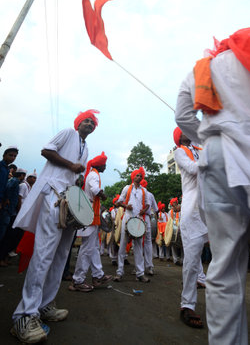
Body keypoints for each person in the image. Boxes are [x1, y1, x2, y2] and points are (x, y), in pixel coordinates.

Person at [175, 25, 250, 345]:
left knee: (224, 265)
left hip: (216, 158)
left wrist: (211, 134)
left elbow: (183, 116)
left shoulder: (203, 68)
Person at [11, 109, 99, 344]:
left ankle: (44, 305)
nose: (89, 123)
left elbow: (76, 173)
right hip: (53, 196)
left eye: (93, 122)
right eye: (86, 119)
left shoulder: (86, 147)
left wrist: (78, 178)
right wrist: (71, 166)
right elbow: (46, 150)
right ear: (78, 123)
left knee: (61, 257)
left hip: (68, 201)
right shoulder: (68, 133)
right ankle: (24, 315)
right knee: (44, 255)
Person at [173, 127, 208, 328]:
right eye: (184, 130)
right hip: (193, 211)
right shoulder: (179, 152)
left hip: (211, 208)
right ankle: (187, 304)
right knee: (192, 259)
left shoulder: (201, 148)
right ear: (180, 136)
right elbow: (195, 169)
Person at [69, 152, 112, 292]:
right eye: (104, 165)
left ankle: (98, 275)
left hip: (91, 214)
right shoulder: (94, 174)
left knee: (92, 247)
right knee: (87, 249)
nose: (105, 167)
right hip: (90, 215)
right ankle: (78, 281)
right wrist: (103, 194)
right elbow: (95, 189)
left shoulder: (93, 174)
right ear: (100, 165)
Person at [114, 167, 150, 282]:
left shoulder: (144, 191)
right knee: (123, 245)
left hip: (139, 221)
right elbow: (118, 202)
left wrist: (144, 211)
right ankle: (119, 272)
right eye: (137, 175)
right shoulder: (126, 188)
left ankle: (140, 273)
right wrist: (126, 206)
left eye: (141, 176)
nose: (139, 177)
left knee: (138, 247)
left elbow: (148, 204)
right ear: (133, 176)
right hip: (127, 218)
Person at [0, 168, 26, 265]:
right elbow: (8, 188)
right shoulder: (15, 181)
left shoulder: (16, 181)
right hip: (9, 210)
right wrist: (6, 199)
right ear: (22, 175)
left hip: (11, 211)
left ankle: (4, 258)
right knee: (7, 236)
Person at [140, 179, 158, 276]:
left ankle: (139, 268)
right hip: (146, 218)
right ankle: (149, 267)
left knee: (139, 243)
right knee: (148, 243)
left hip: (139, 219)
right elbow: (156, 209)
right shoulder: (150, 194)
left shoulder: (137, 192)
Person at [168, 197, 182, 265]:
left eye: (176, 202)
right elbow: (168, 223)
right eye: (173, 203)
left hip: (180, 230)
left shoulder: (181, 211)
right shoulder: (169, 212)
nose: (175, 204)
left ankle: (182, 260)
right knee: (173, 245)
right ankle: (175, 260)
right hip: (172, 231)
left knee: (182, 245)